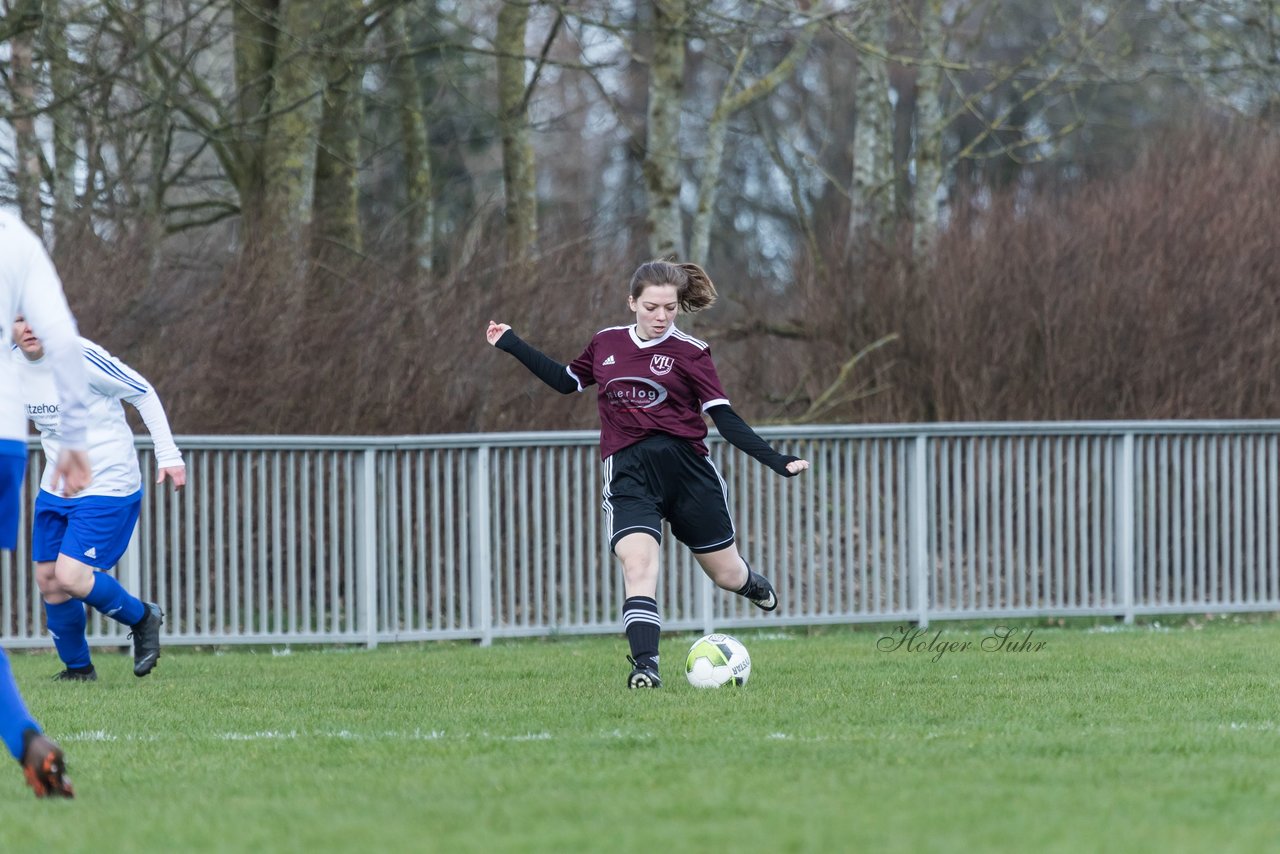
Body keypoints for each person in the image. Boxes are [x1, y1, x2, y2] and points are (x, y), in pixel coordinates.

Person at [486, 259, 810, 688]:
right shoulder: (606, 343)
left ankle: (750, 583)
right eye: (652, 307)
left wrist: (775, 459)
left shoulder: (692, 353)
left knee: (726, 574)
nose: (661, 317)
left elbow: (725, 419)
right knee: (638, 566)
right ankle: (646, 667)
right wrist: (511, 342)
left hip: (688, 474)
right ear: (632, 302)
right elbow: (566, 382)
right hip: (628, 472)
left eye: (670, 309)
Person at [12, 316, 182, 682]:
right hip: (57, 485)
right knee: (48, 580)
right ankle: (79, 670)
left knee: (71, 576)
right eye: (16, 318)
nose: (27, 327)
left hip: (108, 481)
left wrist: (168, 454)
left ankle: (143, 617)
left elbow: (142, 391)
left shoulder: (79, 355)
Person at [0, 209, 93, 797]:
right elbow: (61, 335)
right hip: (4, 440)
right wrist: (75, 436)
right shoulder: (15, 236)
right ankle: (29, 742)